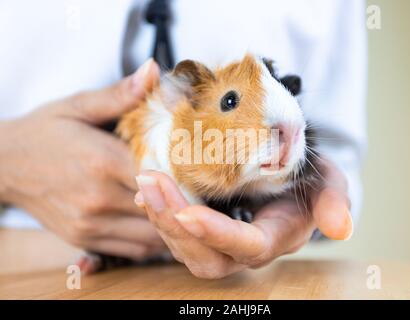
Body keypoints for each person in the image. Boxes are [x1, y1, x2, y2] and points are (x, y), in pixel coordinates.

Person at [0, 0, 366, 279]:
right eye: (230, 102)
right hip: (29, 271)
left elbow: (336, 152)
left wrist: (311, 201)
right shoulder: (171, 119)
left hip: (238, 286)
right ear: (186, 99)